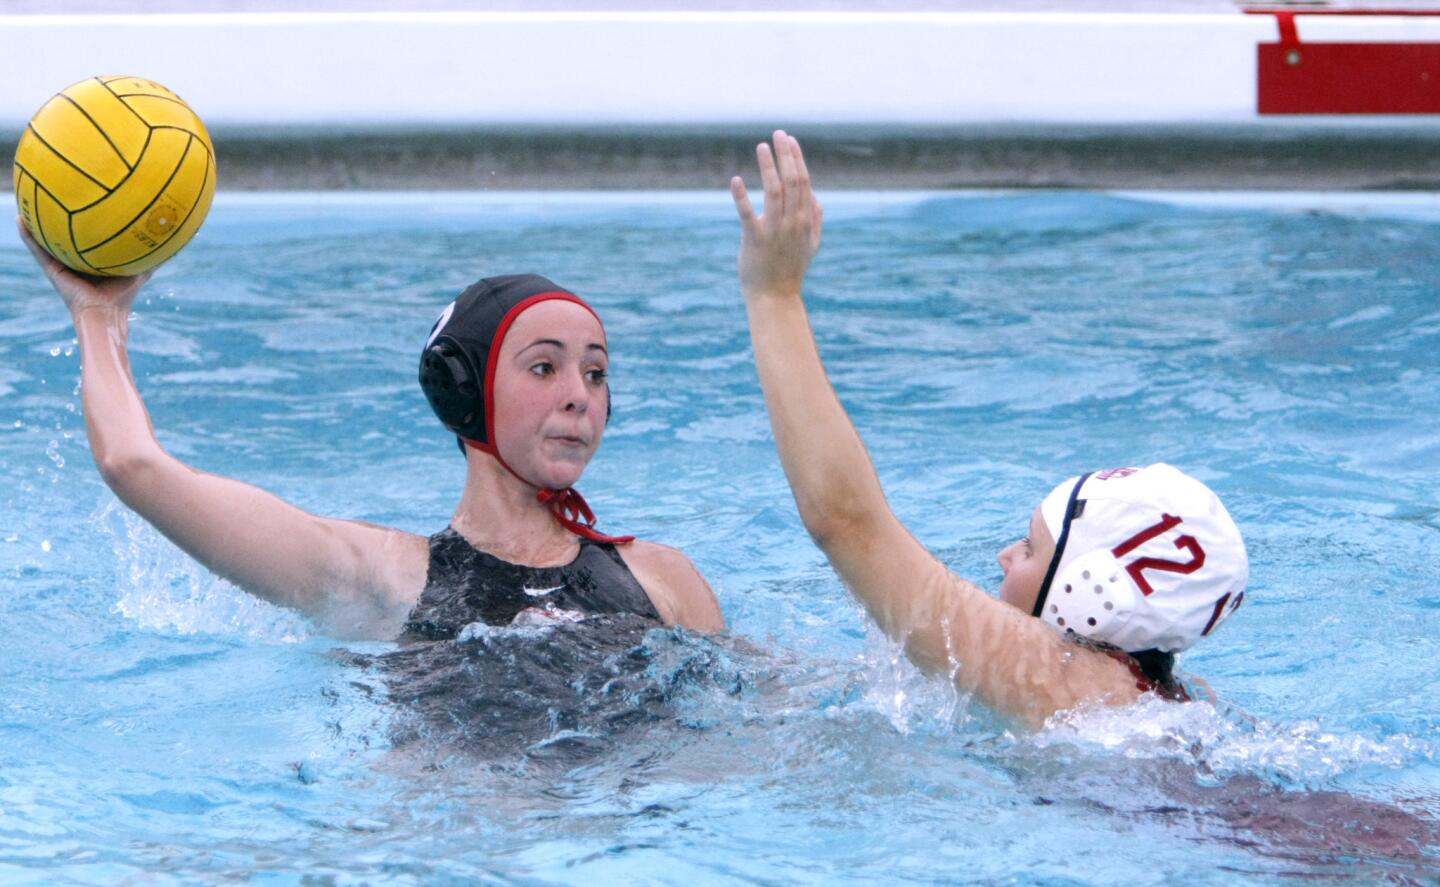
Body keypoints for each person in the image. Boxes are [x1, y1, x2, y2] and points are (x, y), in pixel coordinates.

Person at [728, 133, 1247, 728]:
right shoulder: (1169, 699)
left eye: (1030, 549)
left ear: (1092, 591)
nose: (1004, 556)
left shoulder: (1054, 676)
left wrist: (774, 294)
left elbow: (845, 521)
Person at [19, 221, 724, 647]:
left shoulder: (665, 581)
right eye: (544, 366)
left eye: (596, 374)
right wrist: (97, 316)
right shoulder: (382, 579)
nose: (579, 396)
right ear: (465, 388)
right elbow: (134, 464)